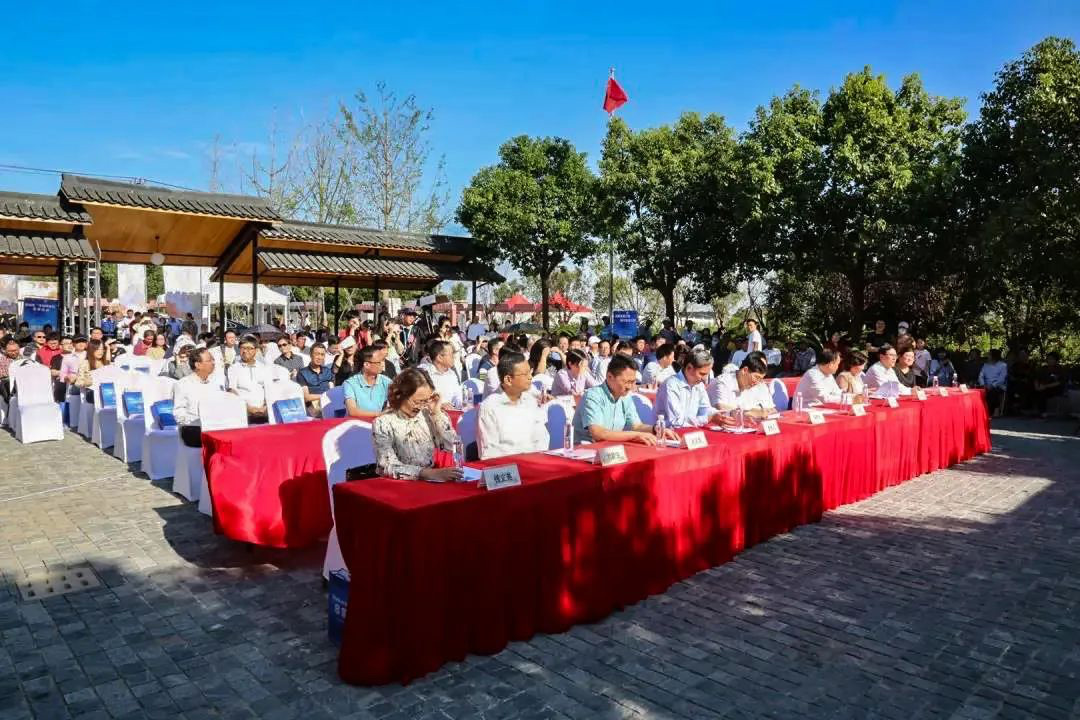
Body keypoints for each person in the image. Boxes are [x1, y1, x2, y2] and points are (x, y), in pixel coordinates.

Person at [372, 368, 461, 481]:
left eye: (425, 401)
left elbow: (452, 446)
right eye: (417, 401)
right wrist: (425, 473)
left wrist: (436, 413)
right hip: (401, 485)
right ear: (402, 395)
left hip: (431, 479)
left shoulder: (427, 415)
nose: (420, 406)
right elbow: (386, 465)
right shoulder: (383, 422)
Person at [572, 355, 675, 445]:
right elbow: (598, 433)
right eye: (626, 382)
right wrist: (635, 435)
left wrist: (655, 429)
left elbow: (636, 426)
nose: (630, 387)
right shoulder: (593, 396)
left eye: (633, 382)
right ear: (610, 376)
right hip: (586, 452)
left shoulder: (625, 396)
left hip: (612, 450)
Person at [477, 351, 550, 459]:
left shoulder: (529, 401)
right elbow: (489, 451)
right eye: (525, 374)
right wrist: (524, 453)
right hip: (507, 468)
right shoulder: (489, 407)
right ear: (508, 379)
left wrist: (533, 456)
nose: (530, 377)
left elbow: (542, 437)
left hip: (534, 462)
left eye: (530, 372)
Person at [654, 348, 724, 428]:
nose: (704, 379)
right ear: (689, 367)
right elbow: (676, 421)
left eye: (706, 374)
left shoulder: (698, 385)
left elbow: (705, 409)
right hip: (666, 434)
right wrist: (708, 418)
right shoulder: (671, 385)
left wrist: (722, 414)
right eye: (702, 374)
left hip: (689, 433)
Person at [172, 348, 226, 448]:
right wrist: (198, 421)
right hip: (194, 428)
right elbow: (178, 413)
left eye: (213, 360)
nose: (213, 363)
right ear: (198, 365)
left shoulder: (216, 384)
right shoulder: (183, 384)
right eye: (209, 360)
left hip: (215, 426)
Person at [708, 351, 775, 413]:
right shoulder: (722, 383)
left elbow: (772, 410)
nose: (758, 382)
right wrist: (753, 413)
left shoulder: (758, 385)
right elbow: (723, 410)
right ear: (745, 370)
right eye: (757, 377)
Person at [343, 346, 391, 421]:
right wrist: (379, 414)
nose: (382, 364)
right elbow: (352, 411)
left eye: (383, 361)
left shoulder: (386, 381)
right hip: (355, 424)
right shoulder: (350, 383)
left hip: (377, 423)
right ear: (366, 365)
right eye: (379, 362)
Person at [228, 335, 270, 420]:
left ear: (256, 350)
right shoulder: (233, 368)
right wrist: (248, 409)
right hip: (243, 413)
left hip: (264, 412)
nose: (245, 351)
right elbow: (232, 391)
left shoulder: (264, 368)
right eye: (242, 348)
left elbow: (269, 389)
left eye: (249, 348)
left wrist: (265, 407)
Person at [422, 339, 464, 409]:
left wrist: (461, 404)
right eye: (451, 354)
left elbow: (458, 395)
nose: (454, 357)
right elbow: (420, 400)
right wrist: (440, 406)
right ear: (439, 357)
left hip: (451, 413)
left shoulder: (451, 373)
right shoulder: (424, 373)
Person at [296, 344, 334, 416]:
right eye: (317, 354)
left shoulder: (328, 371)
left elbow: (332, 390)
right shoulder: (302, 373)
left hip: (329, 403)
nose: (319, 357)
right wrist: (324, 396)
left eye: (322, 355)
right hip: (312, 407)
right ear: (310, 354)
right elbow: (306, 397)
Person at [1033, 352, 1067, 418]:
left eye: (1052, 359)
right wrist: (1036, 386)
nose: (1050, 360)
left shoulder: (1060, 369)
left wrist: (1045, 386)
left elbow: (1059, 382)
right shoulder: (1043, 368)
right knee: (1035, 391)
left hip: (1055, 389)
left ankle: (1043, 412)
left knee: (1043, 392)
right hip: (1042, 387)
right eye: (1048, 359)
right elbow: (1036, 378)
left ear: (1056, 360)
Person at [978, 349, 1008, 416]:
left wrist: (992, 385)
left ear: (993, 356)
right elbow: (981, 376)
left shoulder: (1003, 365)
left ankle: (993, 410)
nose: (987, 356)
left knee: (993, 391)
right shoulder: (985, 365)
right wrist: (983, 384)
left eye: (989, 355)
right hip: (986, 385)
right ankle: (985, 410)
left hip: (999, 386)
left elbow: (1001, 379)